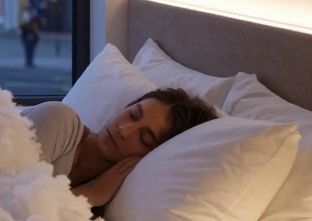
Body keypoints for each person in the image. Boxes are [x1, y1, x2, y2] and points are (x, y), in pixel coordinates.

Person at [23, 88, 219, 207]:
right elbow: (5, 211)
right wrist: (90, 194)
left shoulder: (115, 196)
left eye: (144, 138)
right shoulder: (59, 120)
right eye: (133, 114)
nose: (124, 130)